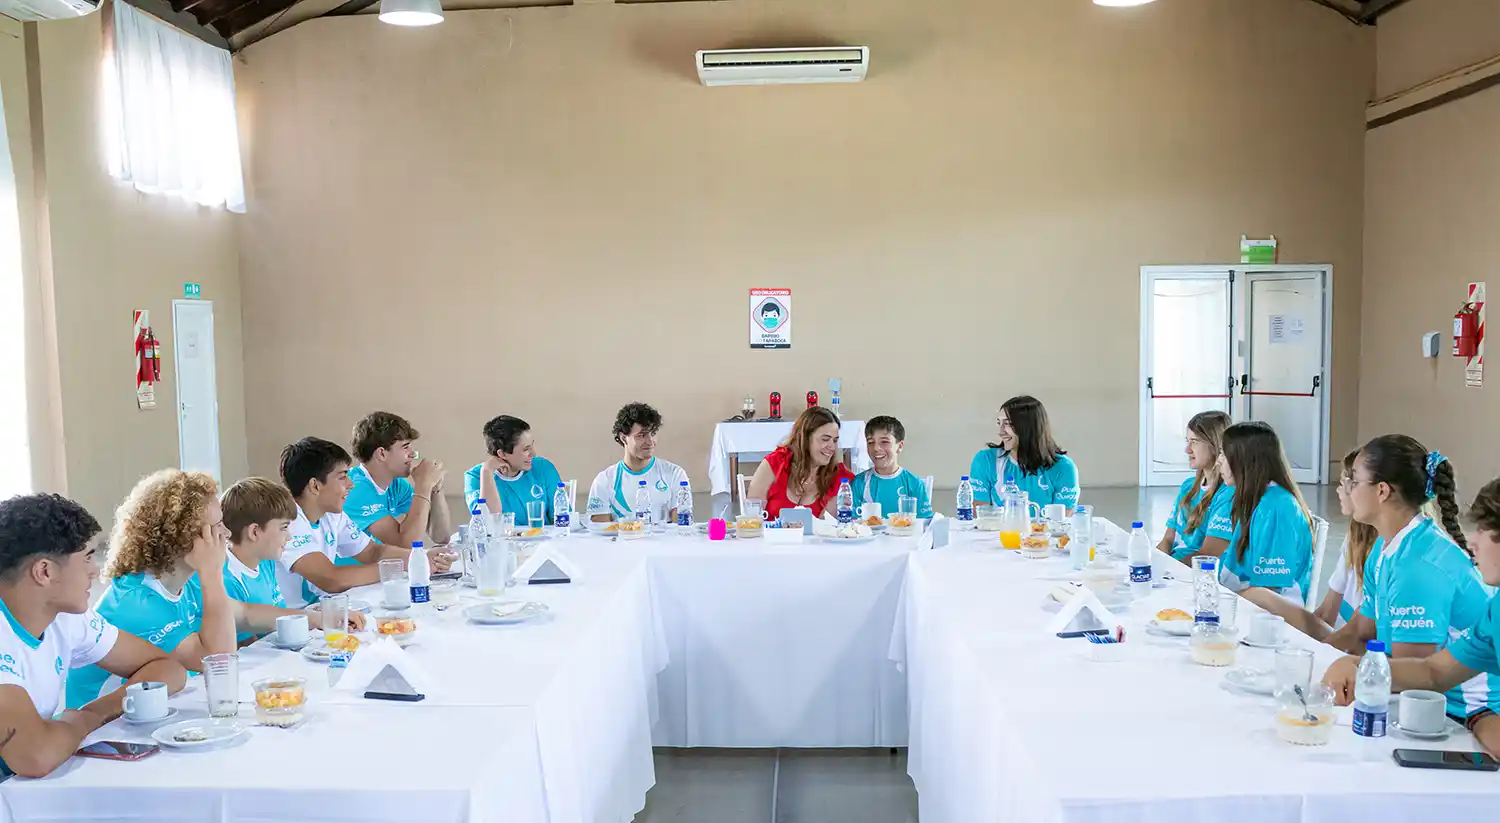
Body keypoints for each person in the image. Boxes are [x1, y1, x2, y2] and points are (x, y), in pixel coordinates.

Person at [1310, 436, 1497, 731]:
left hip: (1463, 713)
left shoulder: (1419, 567)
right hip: (1449, 707)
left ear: (1382, 491)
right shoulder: (1387, 550)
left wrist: (1352, 670)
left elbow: (1417, 679)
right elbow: (1360, 630)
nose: (1345, 489)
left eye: (1354, 481)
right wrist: (1311, 670)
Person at [0, 494, 187, 779]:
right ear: (44, 571)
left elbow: (168, 669)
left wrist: (93, 714)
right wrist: (77, 725)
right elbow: (35, 756)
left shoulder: (67, 618)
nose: (95, 570)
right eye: (87, 557)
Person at [64, 471, 238, 708]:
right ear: (183, 538)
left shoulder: (187, 580)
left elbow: (238, 616)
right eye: (216, 526)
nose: (226, 533)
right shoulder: (136, 603)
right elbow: (220, 663)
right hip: (103, 733)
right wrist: (212, 573)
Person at [278, 437, 446, 609]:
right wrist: (403, 565)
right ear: (315, 486)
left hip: (324, 610)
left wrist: (419, 557)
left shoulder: (332, 515)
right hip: (295, 623)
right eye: (342, 477)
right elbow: (332, 579)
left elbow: (372, 551)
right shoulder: (287, 523)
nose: (351, 484)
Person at [217, 477, 365, 643]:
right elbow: (245, 646)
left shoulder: (266, 562)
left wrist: (323, 618)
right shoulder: (226, 578)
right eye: (284, 528)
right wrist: (319, 620)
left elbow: (277, 620)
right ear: (254, 532)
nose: (289, 537)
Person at [1207, 422, 1315, 613]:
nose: (1218, 462)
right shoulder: (1255, 498)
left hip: (1267, 619)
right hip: (1241, 604)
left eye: (1224, 454)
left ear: (1244, 460)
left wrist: (1219, 603)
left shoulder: (1276, 508)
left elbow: (1268, 592)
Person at [345, 411, 452, 548]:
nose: (413, 454)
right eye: (405, 447)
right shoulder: (355, 489)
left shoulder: (397, 485)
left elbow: (441, 537)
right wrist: (423, 485)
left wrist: (436, 488)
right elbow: (405, 543)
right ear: (382, 454)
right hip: (351, 569)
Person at [968, 396, 1079, 513]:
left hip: (1043, 531)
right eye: (999, 423)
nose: (1000, 432)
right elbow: (981, 518)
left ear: (1029, 427)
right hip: (1000, 532)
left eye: (1008, 424)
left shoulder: (1064, 468)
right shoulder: (985, 461)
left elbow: (1060, 522)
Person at [745, 406, 855, 520]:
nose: (832, 447)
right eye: (825, 439)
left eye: (835, 440)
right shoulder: (775, 463)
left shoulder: (840, 478)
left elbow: (827, 527)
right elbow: (752, 517)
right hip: (770, 537)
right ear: (805, 438)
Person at [585, 403, 689, 522]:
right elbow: (600, 532)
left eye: (653, 434)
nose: (650, 442)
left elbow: (681, 530)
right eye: (642, 435)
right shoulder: (604, 481)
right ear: (624, 438)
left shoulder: (675, 474)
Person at [1311, 450, 1380, 629]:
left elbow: (1359, 636)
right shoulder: (1355, 535)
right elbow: (1327, 613)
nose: (1339, 490)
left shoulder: (1387, 550)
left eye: (1346, 483)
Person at [1155, 411, 1233, 562]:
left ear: (1215, 445)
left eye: (1194, 442)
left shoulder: (1228, 494)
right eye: (1187, 441)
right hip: (1175, 566)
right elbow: (1168, 540)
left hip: (1195, 572)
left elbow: (1207, 555)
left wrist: (1169, 571)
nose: (1187, 449)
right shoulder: (1188, 487)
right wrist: (1152, 564)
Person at [464, 415, 564, 525]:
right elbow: (486, 524)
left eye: (531, 446)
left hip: (544, 540)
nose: (533, 454)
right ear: (502, 454)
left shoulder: (543, 467)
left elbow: (563, 518)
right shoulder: (476, 476)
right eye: (526, 449)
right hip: (503, 541)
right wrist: (487, 471)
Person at [850, 415, 933, 519]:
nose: (876, 448)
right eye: (870, 442)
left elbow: (926, 524)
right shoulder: (859, 483)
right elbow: (852, 524)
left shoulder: (914, 483)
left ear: (900, 446)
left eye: (884, 442)